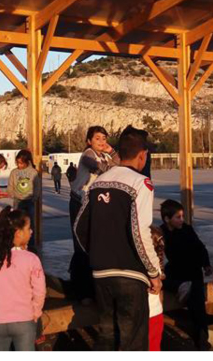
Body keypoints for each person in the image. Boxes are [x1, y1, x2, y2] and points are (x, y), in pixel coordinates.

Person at [73, 126, 162, 351]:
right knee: (132, 342)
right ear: (143, 155)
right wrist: (153, 272)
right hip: (131, 275)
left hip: (101, 274)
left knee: (107, 337)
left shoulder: (98, 183)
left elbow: (79, 227)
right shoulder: (141, 183)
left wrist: (96, 254)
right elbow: (141, 231)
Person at [0, 208, 45, 351]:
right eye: (28, 228)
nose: (31, 231)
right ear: (18, 233)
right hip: (24, 321)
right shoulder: (31, 259)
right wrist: (35, 312)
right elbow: (40, 291)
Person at [69, 126, 119, 303]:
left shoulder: (104, 155)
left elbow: (119, 165)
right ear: (89, 141)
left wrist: (111, 151)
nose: (102, 142)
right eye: (98, 138)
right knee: (81, 245)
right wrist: (110, 163)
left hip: (92, 204)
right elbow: (99, 167)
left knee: (94, 245)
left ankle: (92, 288)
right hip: (78, 202)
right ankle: (82, 291)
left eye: (104, 138)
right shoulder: (88, 154)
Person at [160, 199, 212, 350]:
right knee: (197, 311)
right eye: (178, 217)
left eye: (182, 216)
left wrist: (206, 264)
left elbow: (199, 247)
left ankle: (202, 343)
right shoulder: (162, 233)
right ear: (167, 219)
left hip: (190, 272)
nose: (181, 220)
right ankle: (202, 343)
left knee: (198, 311)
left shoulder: (185, 230)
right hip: (183, 272)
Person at [7, 150, 42, 243]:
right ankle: (16, 242)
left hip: (29, 201)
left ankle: (31, 244)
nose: (19, 165)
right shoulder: (14, 172)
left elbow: (37, 186)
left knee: (30, 223)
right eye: (17, 163)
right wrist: (11, 193)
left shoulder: (33, 172)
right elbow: (10, 184)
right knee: (16, 223)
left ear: (27, 162)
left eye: (21, 163)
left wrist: (35, 197)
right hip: (18, 200)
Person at [148, 225, 166, 351]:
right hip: (156, 312)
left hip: (142, 314)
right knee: (154, 347)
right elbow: (160, 295)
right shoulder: (157, 265)